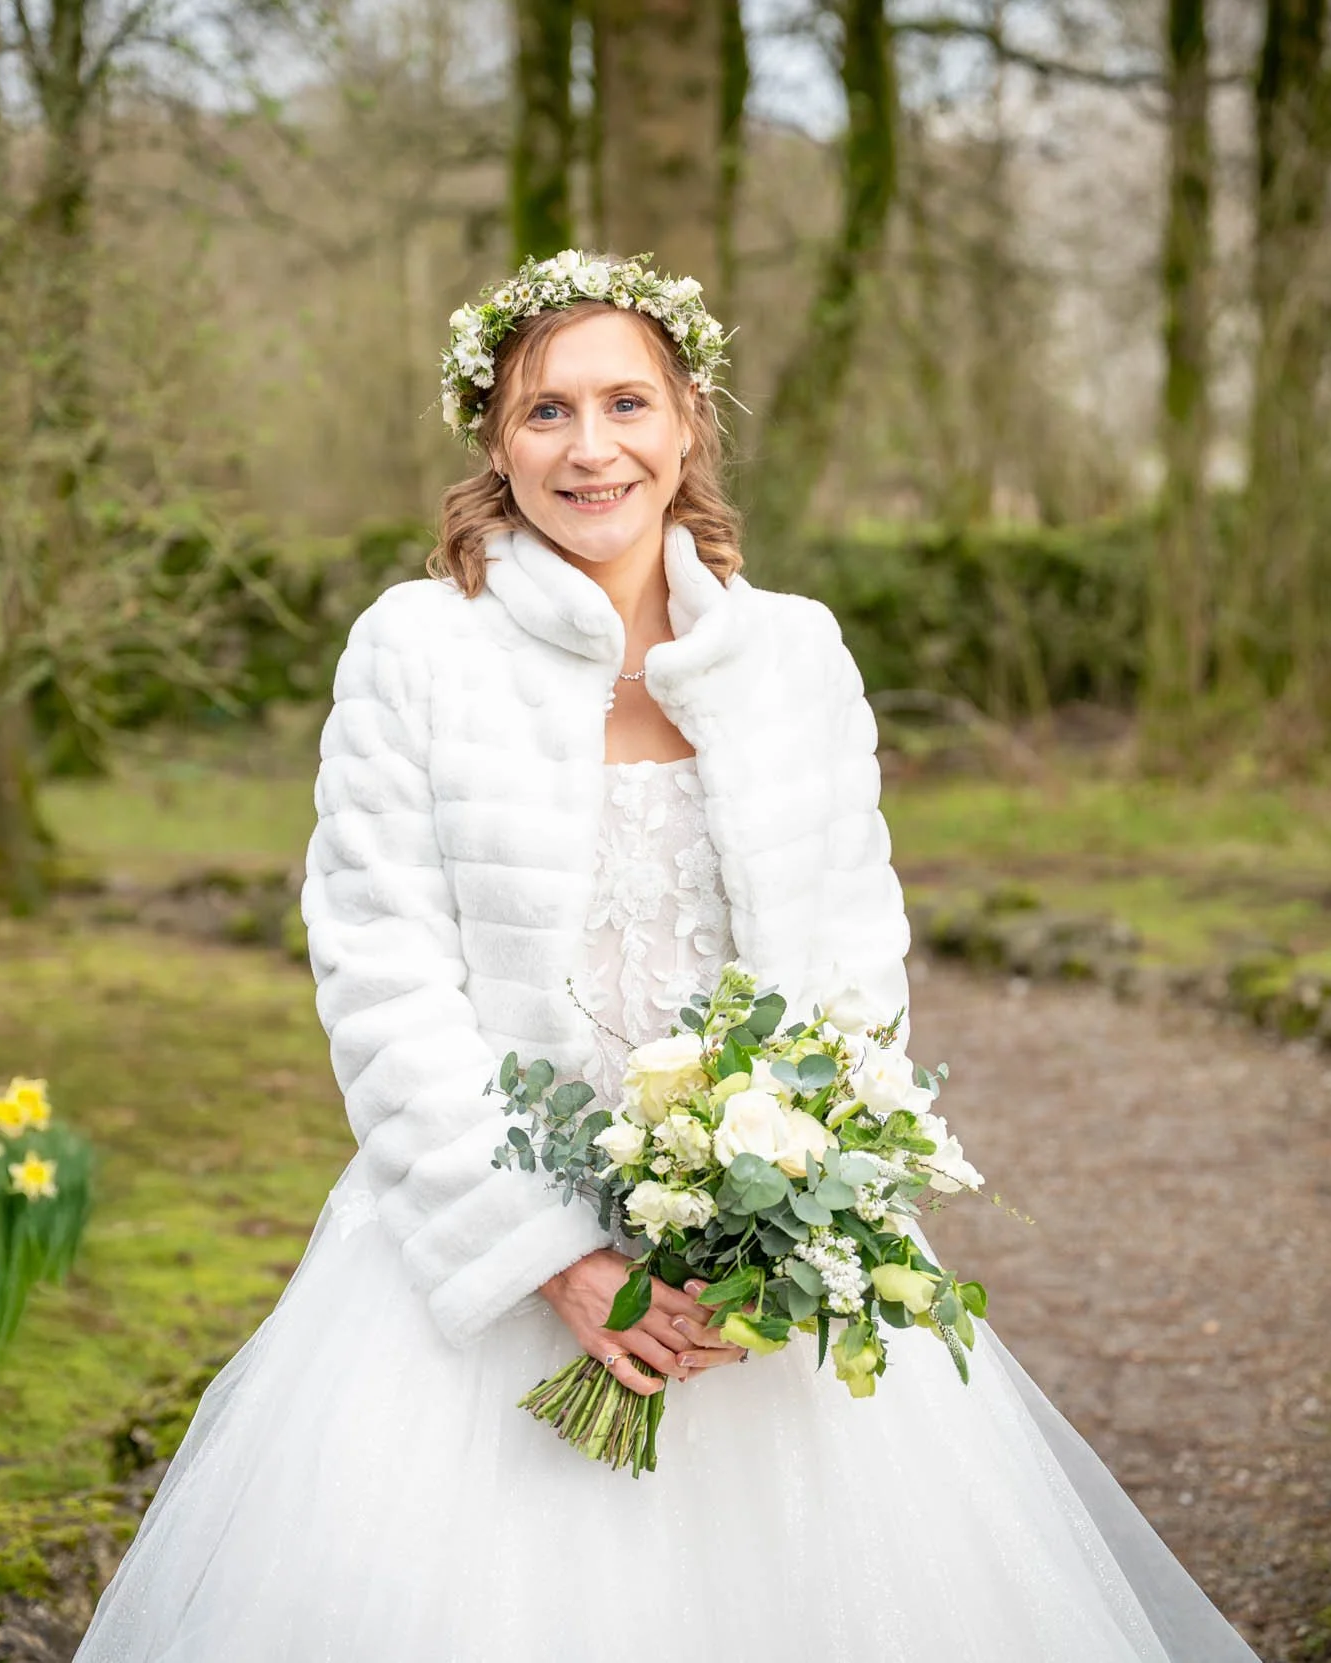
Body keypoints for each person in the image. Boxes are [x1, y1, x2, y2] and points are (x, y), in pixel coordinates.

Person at [74, 250, 1264, 1662]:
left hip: (754, 1284)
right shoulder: (415, 653)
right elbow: (383, 981)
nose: (592, 449)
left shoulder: (797, 657)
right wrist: (557, 1260)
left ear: (689, 418)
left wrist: (786, 1237)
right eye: (546, 412)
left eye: (627, 402)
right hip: (490, 1271)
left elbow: (854, 971)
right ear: (494, 442)